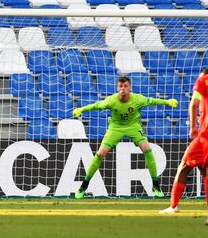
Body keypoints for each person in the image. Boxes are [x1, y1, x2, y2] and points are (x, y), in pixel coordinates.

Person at [72, 76, 178, 199]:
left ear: (130, 87)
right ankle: (83, 186)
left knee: (147, 149)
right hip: (115, 128)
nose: (123, 88)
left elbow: (153, 101)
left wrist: (167, 102)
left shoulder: (138, 99)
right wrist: (81, 109)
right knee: (100, 154)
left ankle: (156, 185)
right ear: (118, 88)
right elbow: (96, 105)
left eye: (125, 86)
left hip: (133, 126)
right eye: (121, 86)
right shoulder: (111, 100)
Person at [159, 70, 208, 224]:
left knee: (184, 166)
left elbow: (193, 104)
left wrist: (193, 127)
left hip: (205, 135)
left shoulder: (203, 80)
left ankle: (173, 206)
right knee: (204, 170)